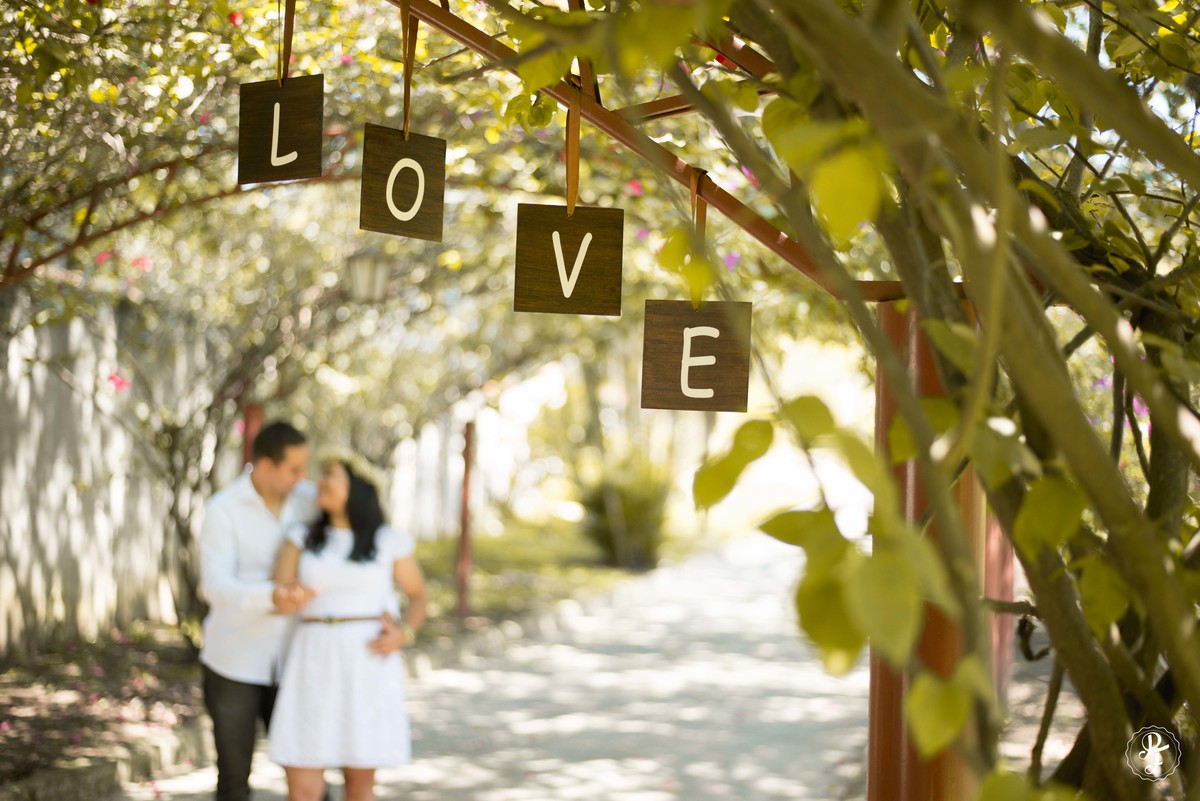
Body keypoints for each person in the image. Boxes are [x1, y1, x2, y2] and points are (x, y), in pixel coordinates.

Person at [268, 453, 429, 801]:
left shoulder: (387, 541)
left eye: (330, 476)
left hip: (366, 663)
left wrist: (405, 634)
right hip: (312, 660)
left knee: (359, 783)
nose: (319, 482)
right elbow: (277, 597)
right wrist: (291, 596)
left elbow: (418, 596)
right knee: (303, 784)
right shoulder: (301, 537)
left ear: (356, 489)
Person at [198, 421, 320, 801]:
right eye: (294, 470)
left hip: (294, 659)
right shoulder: (223, 509)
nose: (303, 478)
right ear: (265, 466)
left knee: (309, 776)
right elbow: (214, 586)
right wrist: (272, 596)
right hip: (234, 660)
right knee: (234, 782)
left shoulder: (309, 501)